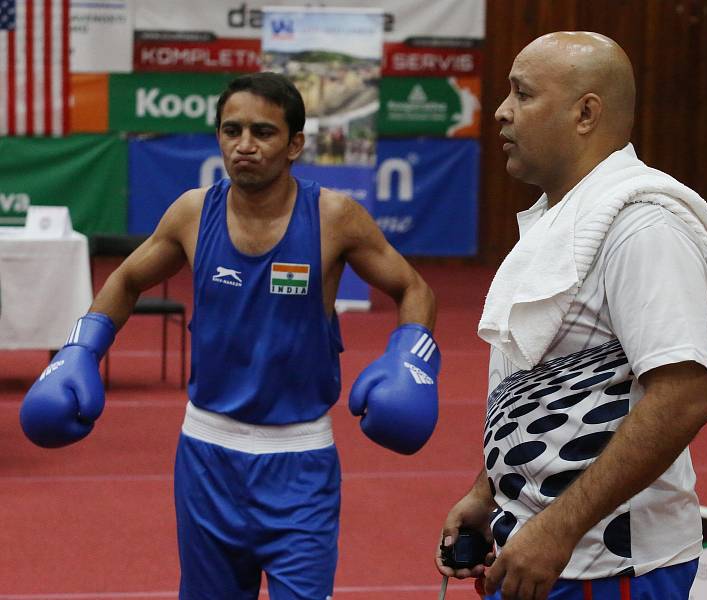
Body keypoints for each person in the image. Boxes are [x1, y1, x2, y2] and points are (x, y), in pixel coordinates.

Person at [20, 72, 441, 600]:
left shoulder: (334, 216)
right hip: (206, 457)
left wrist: (410, 357)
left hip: (301, 462)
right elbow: (126, 279)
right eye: (231, 129)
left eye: (263, 132)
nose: (244, 145)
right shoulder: (194, 212)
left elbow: (414, 289)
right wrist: (80, 351)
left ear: (294, 145)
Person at [436, 32, 707, 600]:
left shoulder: (644, 227)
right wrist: (486, 494)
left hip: (611, 567)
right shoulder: (562, 220)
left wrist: (557, 528)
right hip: (540, 550)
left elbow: (682, 399)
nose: (502, 112)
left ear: (585, 113)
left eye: (523, 94)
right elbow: (529, 381)